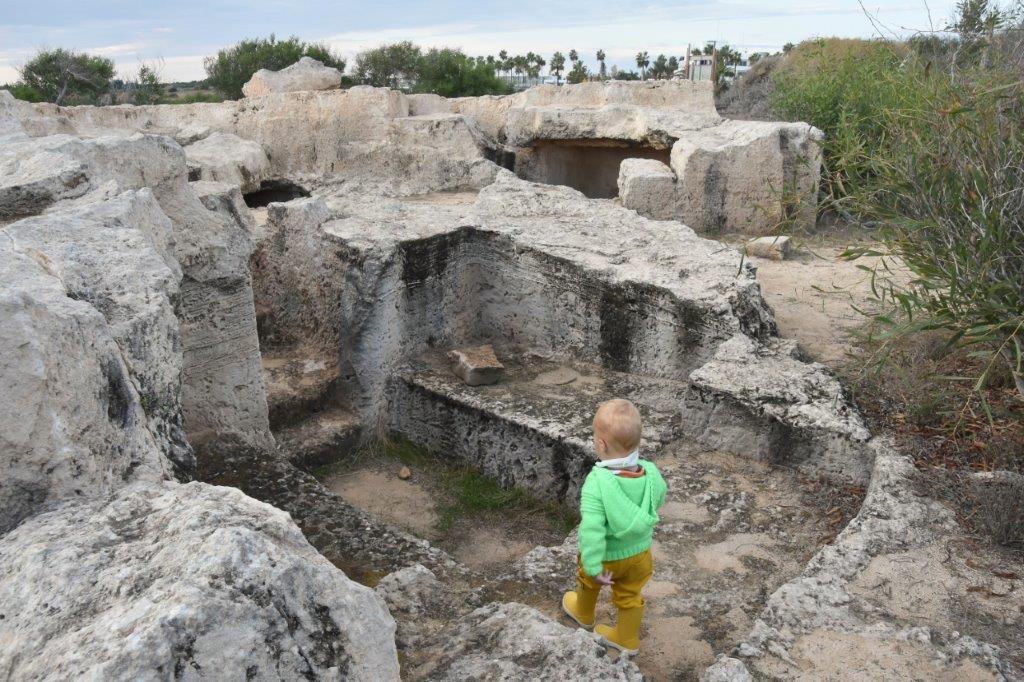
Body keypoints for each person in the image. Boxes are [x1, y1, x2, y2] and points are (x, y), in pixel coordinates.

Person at [561, 398, 667, 655]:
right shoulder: (651, 473)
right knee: (629, 594)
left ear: (600, 444)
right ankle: (627, 638)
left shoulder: (597, 482)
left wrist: (594, 565)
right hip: (640, 554)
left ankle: (584, 613)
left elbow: (592, 530)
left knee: (588, 580)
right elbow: (658, 499)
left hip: (607, 557)